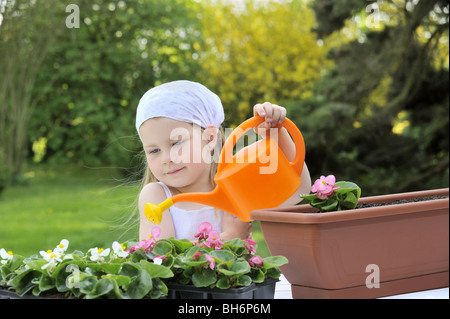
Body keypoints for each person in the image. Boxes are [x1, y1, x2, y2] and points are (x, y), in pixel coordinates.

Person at [135, 80, 310, 241]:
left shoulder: (235, 184)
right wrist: (230, 237)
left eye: (177, 142)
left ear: (210, 139)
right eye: (154, 150)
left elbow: (297, 189)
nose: (166, 158)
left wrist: (276, 132)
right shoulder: (157, 196)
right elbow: (161, 261)